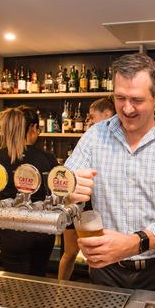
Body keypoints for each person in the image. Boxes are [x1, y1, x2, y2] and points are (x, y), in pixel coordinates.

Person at [64, 53, 155, 292]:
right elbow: (64, 182)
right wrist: (68, 190)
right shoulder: (95, 136)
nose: (126, 108)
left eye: (136, 99)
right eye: (120, 98)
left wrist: (134, 243)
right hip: (105, 271)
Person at [0, 106, 58, 277]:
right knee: (38, 279)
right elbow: (55, 194)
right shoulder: (47, 158)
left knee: (14, 282)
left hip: (11, 231)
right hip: (42, 230)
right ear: (32, 128)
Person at [58, 97, 116, 280]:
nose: (89, 122)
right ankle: (61, 289)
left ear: (107, 115)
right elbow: (64, 180)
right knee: (70, 252)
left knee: (93, 254)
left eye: (92, 117)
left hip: (93, 211)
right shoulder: (91, 137)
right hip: (79, 207)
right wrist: (70, 188)